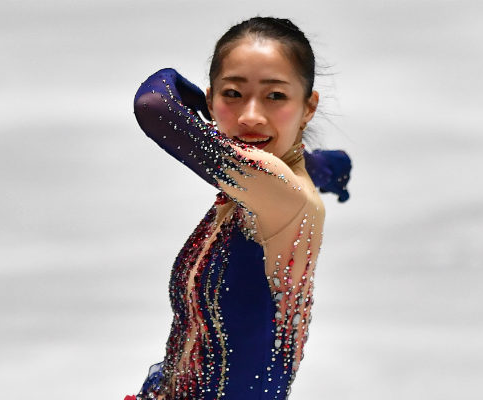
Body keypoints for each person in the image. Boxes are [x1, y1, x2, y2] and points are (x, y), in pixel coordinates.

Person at [125, 16, 351, 400]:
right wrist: (332, 169)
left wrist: (181, 87)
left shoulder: (278, 189)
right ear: (213, 99)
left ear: (308, 107)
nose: (250, 116)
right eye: (232, 93)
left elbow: (153, 105)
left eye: (275, 96)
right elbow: (323, 164)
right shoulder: (275, 181)